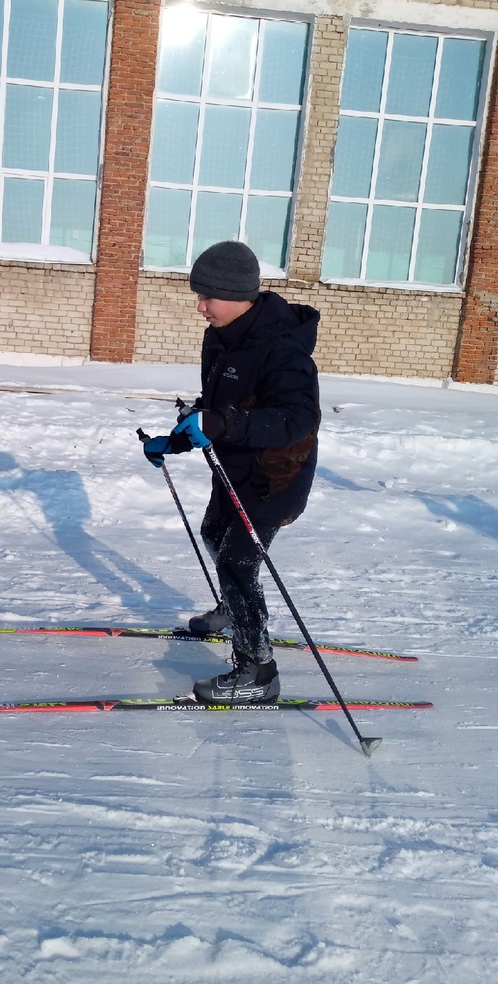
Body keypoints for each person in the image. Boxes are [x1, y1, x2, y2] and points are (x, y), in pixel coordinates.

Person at [141, 240, 321, 705]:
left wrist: (222, 422)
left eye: (208, 297)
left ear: (238, 294)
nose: (200, 307)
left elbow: (296, 419)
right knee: (213, 531)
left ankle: (257, 672)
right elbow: (218, 412)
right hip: (234, 468)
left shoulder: (283, 350)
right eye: (198, 296)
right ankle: (234, 608)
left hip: (274, 477)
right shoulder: (221, 337)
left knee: (237, 562)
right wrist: (176, 439)